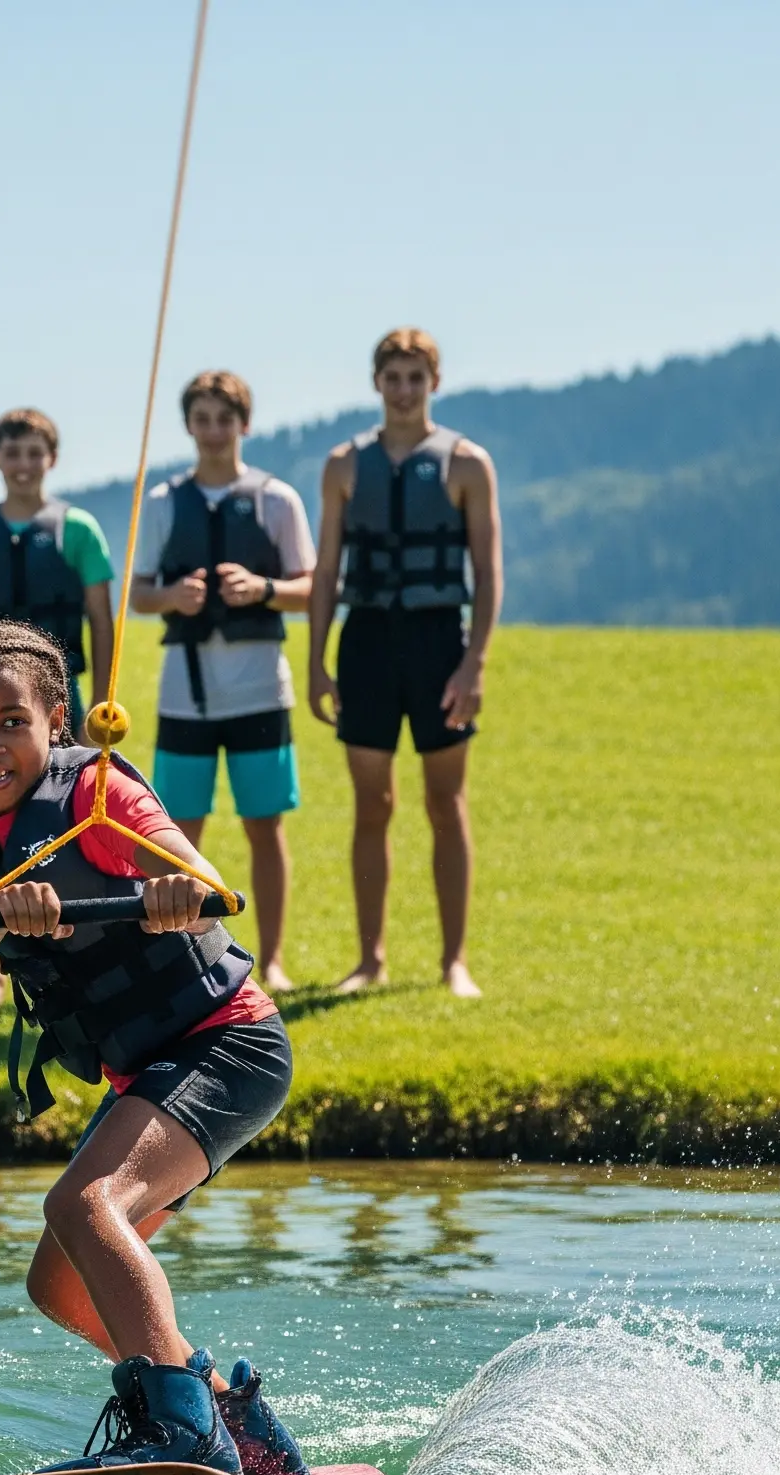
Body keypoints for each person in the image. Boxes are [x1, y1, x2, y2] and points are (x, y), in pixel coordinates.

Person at [0, 619, 311, 1475]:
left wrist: (173, 892)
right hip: (152, 1072)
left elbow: (203, 886)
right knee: (59, 1284)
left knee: (88, 1204)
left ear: (57, 720)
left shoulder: (96, 795)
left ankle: (181, 1431)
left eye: (12, 720)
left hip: (229, 1043)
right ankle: (230, 1415)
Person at [307, 328, 501, 998]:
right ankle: (370, 960)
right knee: (372, 805)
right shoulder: (343, 465)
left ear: (434, 383)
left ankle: (455, 962)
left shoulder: (467, 463)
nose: (404, 389)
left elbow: (488, 570)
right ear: (377, 383)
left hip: (439, 642)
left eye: (416, 377)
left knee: (445, 804)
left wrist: (474, 663)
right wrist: (316, 662)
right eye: (393, 376)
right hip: (365, 643)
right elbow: (327, 570)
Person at [128, 370, 315, 992]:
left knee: (266, 824)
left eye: (224, 419)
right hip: (185, 692)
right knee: (176, 832)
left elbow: (312, 588)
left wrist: (262, 589)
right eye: (202, 419)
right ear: (189, 426)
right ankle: (183, 958)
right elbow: (139, 595)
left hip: (260, 690)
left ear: (244, 424)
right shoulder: (161, 503)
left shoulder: (275, 500)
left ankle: (277, 958)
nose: (213, 432)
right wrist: (172, 597)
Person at [0, 406, 119, 1014]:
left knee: (59, 821)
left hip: (51, 711)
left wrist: (104, 697)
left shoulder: (79, 529)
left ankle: (79, 959)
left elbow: (99, 615)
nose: (22, 465)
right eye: (12, 453)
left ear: (52, 459)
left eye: (33, 453)